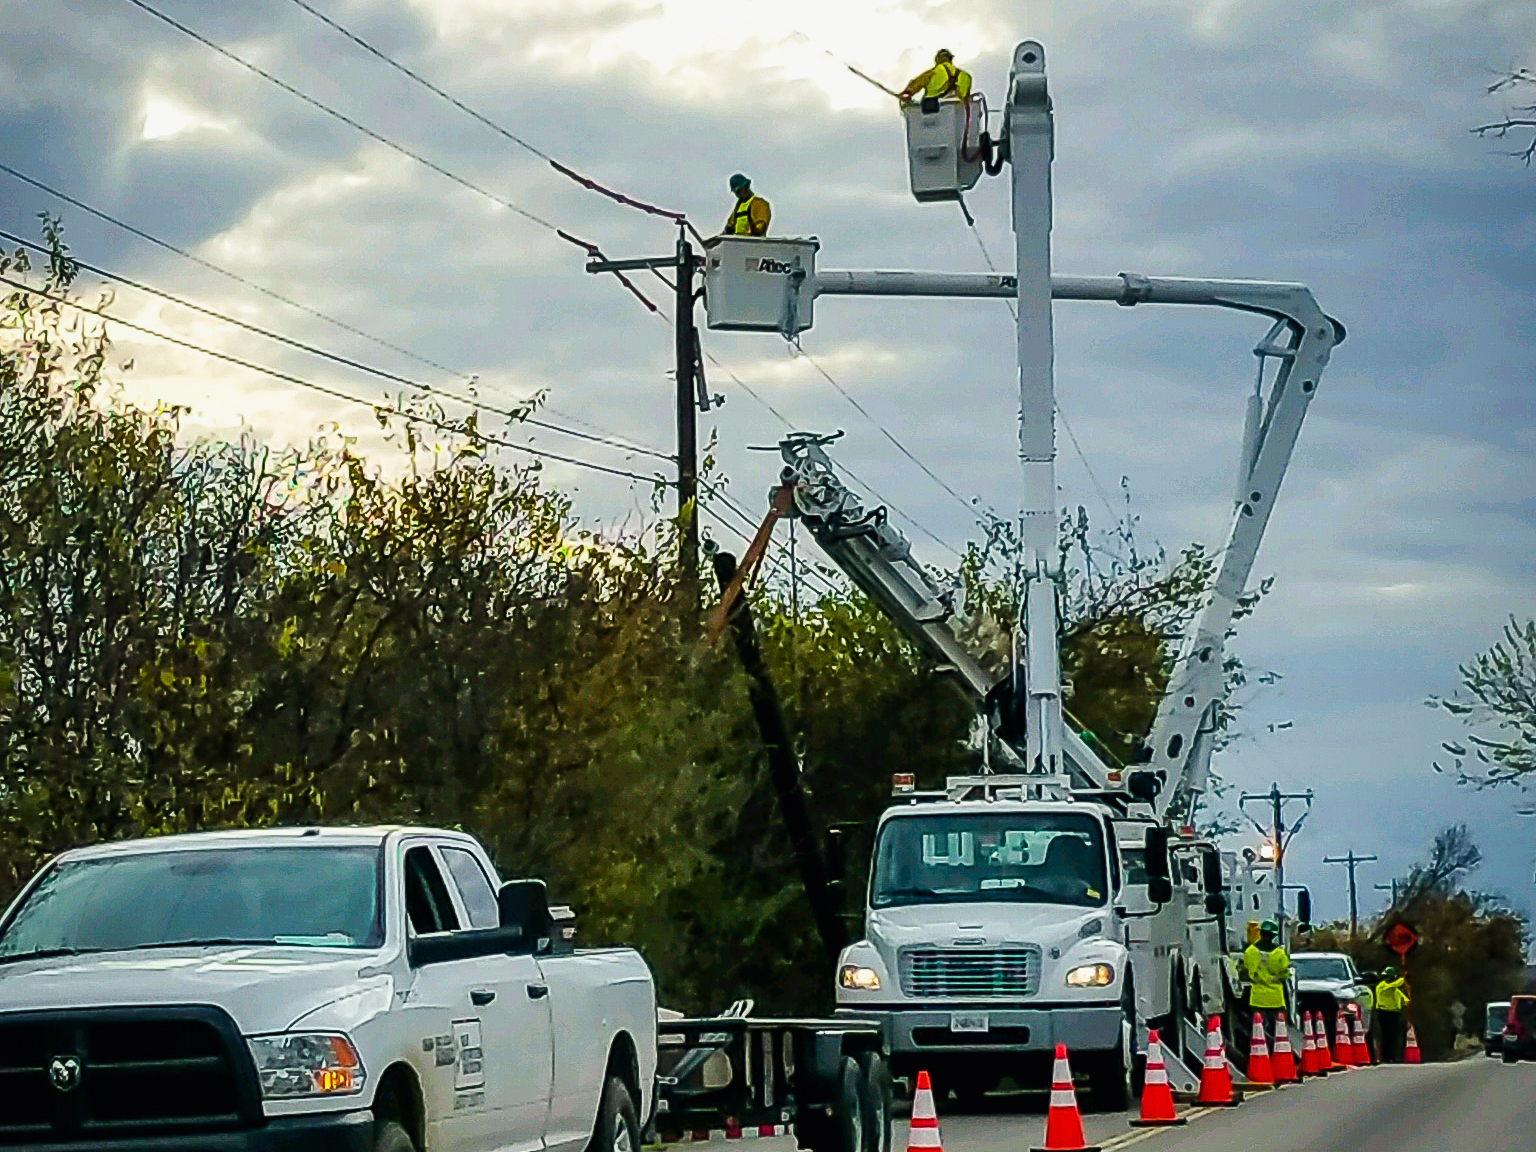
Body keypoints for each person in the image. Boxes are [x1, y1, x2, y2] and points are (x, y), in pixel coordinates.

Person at [1243, 919, 1290, 1048]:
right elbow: (1285, 973)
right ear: (1274, 936)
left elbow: (1246, 969)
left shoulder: (1250, 951)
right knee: (1278, 1030)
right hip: (1276, 998)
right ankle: (1276, 1051)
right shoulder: (1279, 953)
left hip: (1257, 997)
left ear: (1261, 933)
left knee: (1258, 1028)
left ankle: (1259, 1050)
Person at [899, 49, 973, 109]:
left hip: (931, 106)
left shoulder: (935, 71)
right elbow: (966, 95)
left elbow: (918, 82)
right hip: (960, 111)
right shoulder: (964, 75)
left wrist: (907, 93)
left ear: (938, 59)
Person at [1375, 966, 1410, 1062]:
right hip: (1384, 1013)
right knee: (1386, 1035)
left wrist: (1408, 990)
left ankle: (1391, 1056)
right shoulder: (1381, 987)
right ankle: (1385, 1056)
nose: (1388, 979)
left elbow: (1405, 1000)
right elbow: (1395, 985)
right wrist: (1403, 978)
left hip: (1394, 1014)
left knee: (1393, 1036)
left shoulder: (1395, 990)